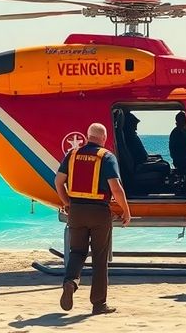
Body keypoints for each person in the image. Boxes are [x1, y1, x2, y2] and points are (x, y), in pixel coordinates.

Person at [55, 122, 133, 315]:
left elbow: (58, 181)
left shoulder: (72, 155)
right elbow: (116, 188)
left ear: (87, 136)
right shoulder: (106, 156)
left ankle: (70, 282)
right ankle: (98, 304)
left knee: (77, 252)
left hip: (77, 211)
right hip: (99, 212)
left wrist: (67, 202)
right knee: (99, 257)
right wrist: (126, 210)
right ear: (104, 139)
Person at [169, 111, 186, 188]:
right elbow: (183, 148)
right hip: (180, 160)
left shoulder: (182, 131)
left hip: (182, 158)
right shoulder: (177, 133)